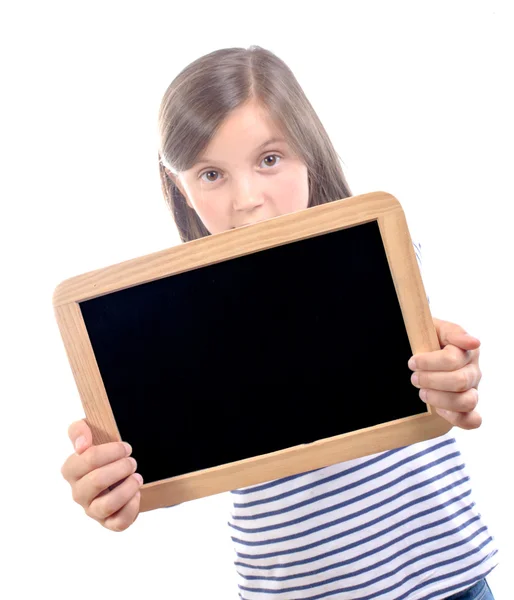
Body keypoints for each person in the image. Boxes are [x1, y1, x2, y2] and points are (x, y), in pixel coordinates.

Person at [60, 46, 498, 600]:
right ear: (180, 187)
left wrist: (454, 380)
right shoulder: (179, 323)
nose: (248, 200)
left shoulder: (381, 255)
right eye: (212, 173)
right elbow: (153, 458)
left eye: (270, 159)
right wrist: (111, 484)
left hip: (447, 576)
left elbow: (437, 367)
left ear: (308, 152)